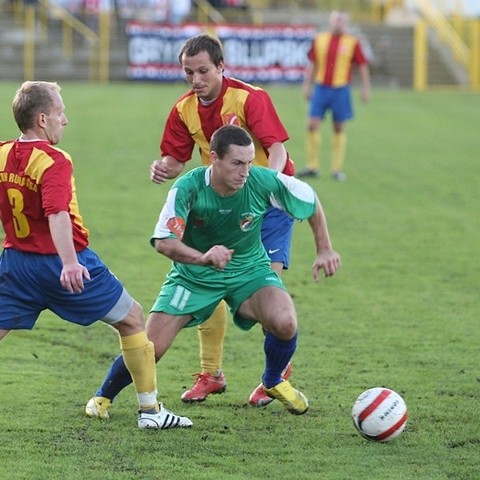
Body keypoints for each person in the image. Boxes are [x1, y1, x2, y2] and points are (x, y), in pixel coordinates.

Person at [0, 81, 192, 434]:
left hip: (15, 268)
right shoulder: (55, 160)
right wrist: (70, 262)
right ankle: (150, 412)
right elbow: (57, 214)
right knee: (132, 319)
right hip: (64, 263)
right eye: (60, 113)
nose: (65, 120)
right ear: (42, 119)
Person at [84, 125, 341, 420]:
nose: (245, 171)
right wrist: (203, 258)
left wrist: (325, 249)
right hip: (193, 276)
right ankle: (103, 396)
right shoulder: (188, 187)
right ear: (214, 159)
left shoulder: (261, 180)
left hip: (249, 269)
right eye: (236, 163)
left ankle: (272, 380)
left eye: (248, 162)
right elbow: (164, 243)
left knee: (285, 322)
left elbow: (309, 199)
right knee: (150, 348)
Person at [148, 33, 297, 407]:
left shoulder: (249, 98)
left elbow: (277, 148)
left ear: (220, 68)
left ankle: (274, 377)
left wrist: (271, 185)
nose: (196, 80)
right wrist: (163, 168)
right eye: (188, 72)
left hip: (269, 204)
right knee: (207, 278)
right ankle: (211, 374)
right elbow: (177, 159)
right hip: (219, 209)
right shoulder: (183, 109)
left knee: (266, 292)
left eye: (203, 71)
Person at [298, 9, 371, 182]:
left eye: (341, 20)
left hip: (341, 90)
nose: (338, 23)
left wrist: (365, 88)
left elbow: (362, 65)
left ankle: (336, 169)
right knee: (312, 125)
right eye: (335, 20)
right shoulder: (320, 39)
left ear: (345, 23)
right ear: (330, 21)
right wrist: (307, 85)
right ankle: (312, 166)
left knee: (338, 127)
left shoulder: (352, 42)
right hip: (321, 88)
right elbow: (313, 63)